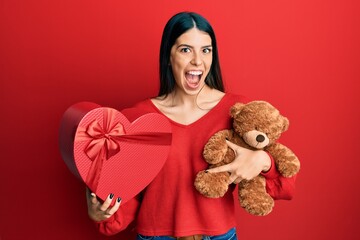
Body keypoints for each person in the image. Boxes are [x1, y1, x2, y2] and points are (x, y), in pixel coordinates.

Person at [86, 11, 297, 240]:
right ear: (168, 56)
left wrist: (263, 161)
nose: (197, 60)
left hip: (219, 236)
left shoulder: (238, 111)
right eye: (186, 49)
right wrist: (101, 213)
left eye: (206, 50)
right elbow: (124, 202)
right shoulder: (137, 117)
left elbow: (286, 183)